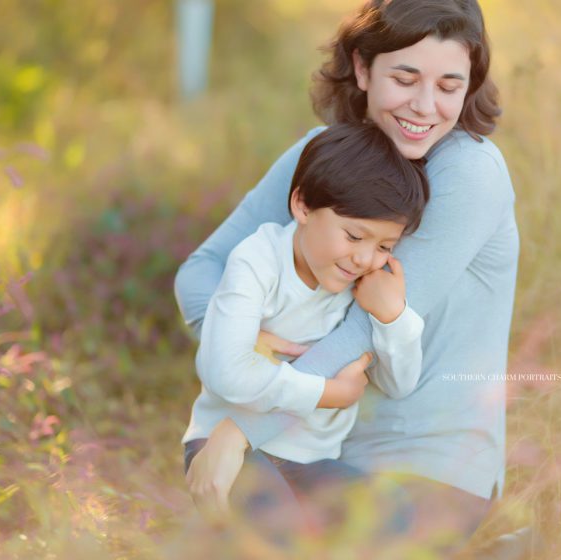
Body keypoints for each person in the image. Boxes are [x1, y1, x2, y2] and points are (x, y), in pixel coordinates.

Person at [175, 0, 519, 553]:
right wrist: (236, 333)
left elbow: (361, 331)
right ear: (362, 68)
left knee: (275, 522)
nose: (425, 107)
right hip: (312, 448)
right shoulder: (327, 157)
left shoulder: (471, 172)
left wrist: (236, 433)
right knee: (242, 516)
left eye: (449, 86)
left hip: (430, 468)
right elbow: (202, 270)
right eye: (405, 78)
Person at [183, 123, 429, 532]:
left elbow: (399, 382)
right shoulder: (257, 263)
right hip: (227, 446)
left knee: (395, 516)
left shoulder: (362, 284)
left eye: (385, 246)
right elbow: (225, 371)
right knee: (276, 527)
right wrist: (325, 393)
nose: (365, 258)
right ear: (302, 206)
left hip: (314, 460)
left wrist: (393, 317)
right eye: (354, 235)